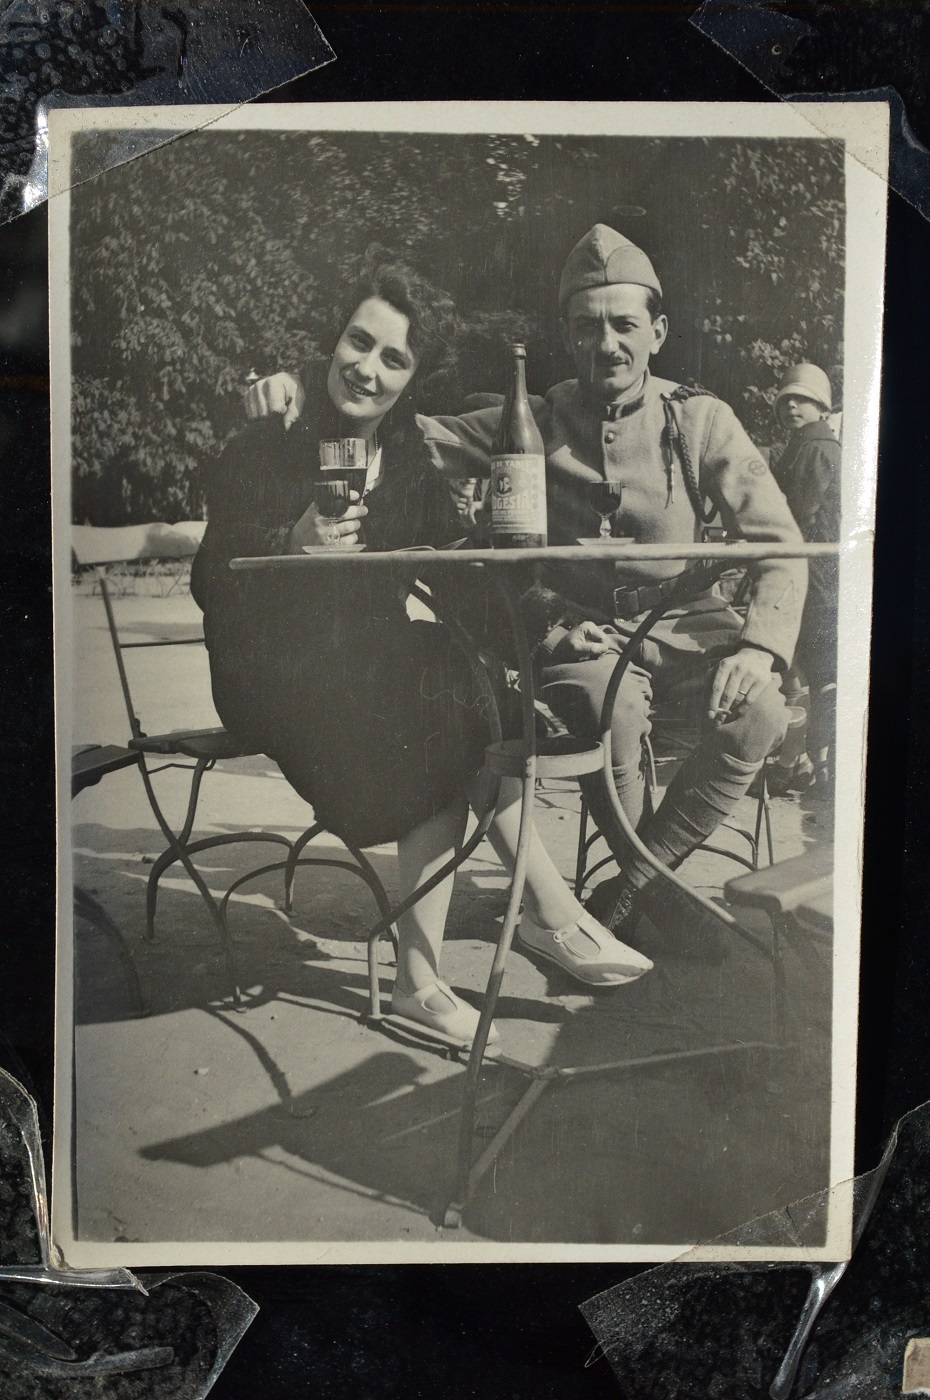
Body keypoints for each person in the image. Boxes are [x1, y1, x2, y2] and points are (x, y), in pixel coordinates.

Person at [247, 225, 807, 962]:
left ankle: (634, 892)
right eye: (586, 326)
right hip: (580, 639)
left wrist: (761, 649)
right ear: (567, 337)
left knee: (761, 711)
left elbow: (783, 544)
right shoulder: (535, 417)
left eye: (624, 325)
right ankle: (640, 904)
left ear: (658, 331)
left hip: (688, 625)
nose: (606, 343)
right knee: (614, 707)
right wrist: (297, 378)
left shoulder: (701, 421)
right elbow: (398, 415)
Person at [193, 248, 651, 1051]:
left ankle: (431, 978)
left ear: (412, 380)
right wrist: (291, 541)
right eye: (359, 343)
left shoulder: (406, 458)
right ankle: (543, 918)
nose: (367, 369)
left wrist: (549, 627)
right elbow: (209, 580)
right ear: (335, 338)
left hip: (371, 677)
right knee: (439, 685)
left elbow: (462, 569)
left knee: (448, 695)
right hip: (270, 675)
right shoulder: (276, 433)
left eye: (393, 358)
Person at [770, 362, 840, 793]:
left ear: (821, 407)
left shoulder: (816, 447)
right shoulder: (805, 444)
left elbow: (801, 512)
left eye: (804, 399)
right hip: (814, 572)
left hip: (814, 576)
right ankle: (800, 763)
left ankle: (808, 764)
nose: (793, 405)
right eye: (786, 399)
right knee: (803, 669)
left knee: (805, 669)